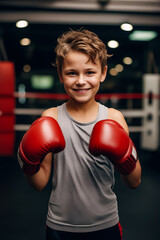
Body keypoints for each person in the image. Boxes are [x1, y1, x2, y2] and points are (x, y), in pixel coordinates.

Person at [18, 29, 141, 240]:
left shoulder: (113, 117)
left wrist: (125, 158)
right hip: (59, 225)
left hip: (106, 223)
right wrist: (27, 161)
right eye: (72, 73)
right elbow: (39, 184)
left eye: (90, 72)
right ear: (60, 75)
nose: (81, 81)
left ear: (103, 73)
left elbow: (133, 181)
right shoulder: (51, 117)